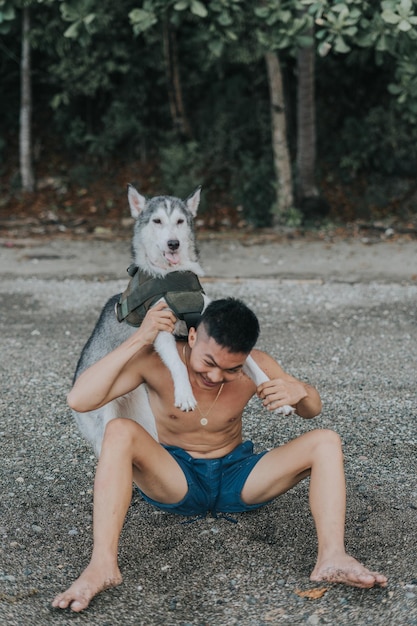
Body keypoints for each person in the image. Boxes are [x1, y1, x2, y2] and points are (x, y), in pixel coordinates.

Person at [52, 298, 387, 612]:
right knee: (119, 431)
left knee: (325, 440)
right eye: (208, 363)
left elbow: (311, 411)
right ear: (194, 336)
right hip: (175, 477)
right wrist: (141, 338)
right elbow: (79, 400)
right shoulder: (154, 363)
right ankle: (102, 565)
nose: (215, 376)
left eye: (231, 369)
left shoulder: (258, 365)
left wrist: (301, 391)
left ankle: (333, 556)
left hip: (236, 474)